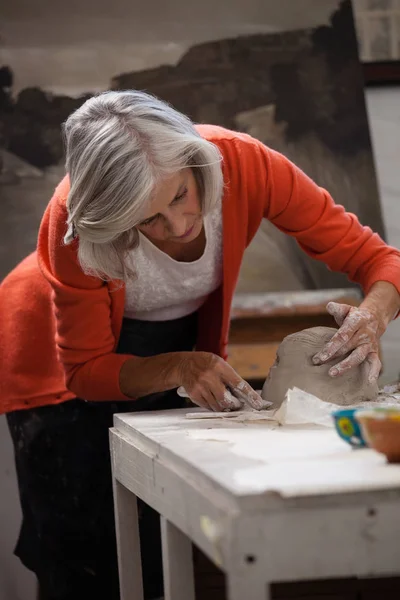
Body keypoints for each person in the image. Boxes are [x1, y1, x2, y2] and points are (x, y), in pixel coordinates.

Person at [1, 90, 399, 600]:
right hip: (54, 359)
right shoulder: (76, 227)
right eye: (147, 221)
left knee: (162, 541)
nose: (178, 227)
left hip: (173, 341)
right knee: (81, 555)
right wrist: (178, 367)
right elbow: (85, 370)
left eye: (180, 196)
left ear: (195, 163)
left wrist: (373, 316)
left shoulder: (245, 163)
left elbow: (378, 259)